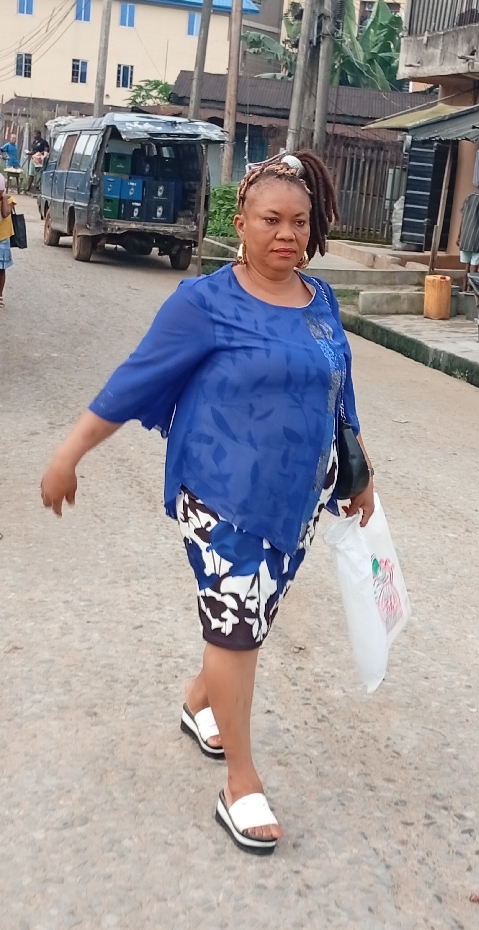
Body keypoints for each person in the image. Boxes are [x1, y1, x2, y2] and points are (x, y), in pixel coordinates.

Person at [40, 150, 375, 856]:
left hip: (294, 499)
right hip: (221, 497)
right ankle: (241, 784)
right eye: (271, 220)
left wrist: (359, 471)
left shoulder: (320, 300)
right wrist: (69, 454)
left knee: (247, 620)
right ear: (241, 223)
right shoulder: (204, 303)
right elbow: (134, 379)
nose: (287, 234)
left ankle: (202, 701)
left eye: (299, 222)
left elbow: (338, 387)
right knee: (238, 632)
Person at [0, 174, 14, 309]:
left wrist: (4, 199)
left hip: (2, 239)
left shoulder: (9, 200)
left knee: (1, 269)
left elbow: (5, 213)